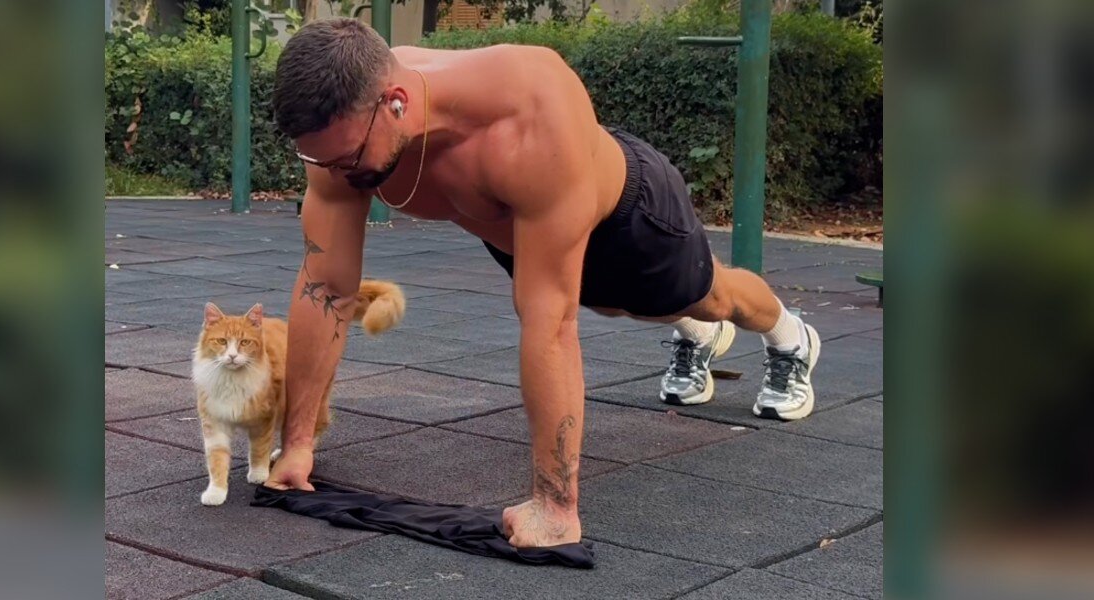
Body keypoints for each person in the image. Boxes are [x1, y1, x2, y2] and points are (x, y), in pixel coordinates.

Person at [263, 18, 820, 549]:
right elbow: (326, 288)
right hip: (523, 226)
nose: (336, 173)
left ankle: (790, 337)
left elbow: (550, 322)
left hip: (629, 216)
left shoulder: (528, 111)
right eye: (319, 159)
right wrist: (298, 445)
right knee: (611, 303)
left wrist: (555, 506)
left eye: (348, 158)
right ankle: (695, 336)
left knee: (710, 297)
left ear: (397, 103)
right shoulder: (339, 134)